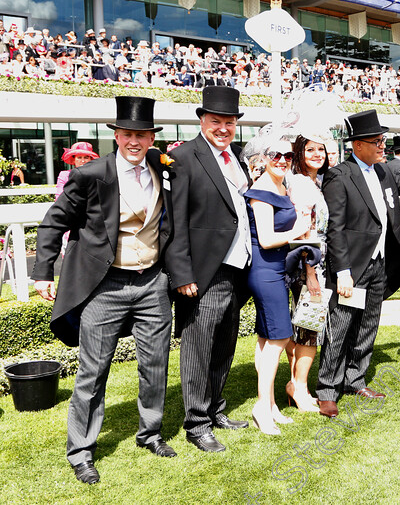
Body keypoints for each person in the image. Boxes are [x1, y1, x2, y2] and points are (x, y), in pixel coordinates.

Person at [32, 97, 176, 484]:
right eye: (128, 133)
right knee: (92, 372)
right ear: (117, 135)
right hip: (104, 286)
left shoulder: (161, 170)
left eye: (142, 135)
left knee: (155, 365)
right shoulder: (91, 174)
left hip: (152, 282)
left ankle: (151, 433)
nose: (135, 141)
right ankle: (81, 451)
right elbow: (53, 221)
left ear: (150, 139)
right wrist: (43, 272)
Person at [168, 86, 252, 453]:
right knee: (198, 349)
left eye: (229, 121)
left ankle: (216, 409)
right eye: (216, 121)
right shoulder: (185, 157)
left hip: (237, 268)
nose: (223, 127)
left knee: (224, 345)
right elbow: (175, 221)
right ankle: (197, 423)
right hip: (204, 270)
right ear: (202, 120)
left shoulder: (237, 156)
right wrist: (182, 273)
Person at [316, 110, 400, 418]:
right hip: (352, 268)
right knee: (340, 327)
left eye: (383, 140)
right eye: (376, 141)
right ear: (356, 145)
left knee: (368, 325)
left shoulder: (383, 173)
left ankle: (355, 379)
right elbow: (336, 228)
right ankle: (328, 390)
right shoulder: (339, 176)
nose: (383, 146)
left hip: (380, 263)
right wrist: (342, 271)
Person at [241, 136, 311, 434]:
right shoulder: (261, 191)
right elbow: (267, 239)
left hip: (278, 270)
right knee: (280, 339)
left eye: (287, 155)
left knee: (265, 337)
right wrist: (297, 231)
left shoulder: (282, 186)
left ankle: (269, 405)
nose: (282, 160)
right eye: (275, 155)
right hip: (266, 271)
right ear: (264, 158)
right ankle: (261, 407)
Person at [284, 128, 333, 412]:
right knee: (310, 329)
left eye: (321, 150)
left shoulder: (313, 182)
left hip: (314, 262)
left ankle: (295, 382)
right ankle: (299, 387)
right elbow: (304, 233)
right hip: (308, 264)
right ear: (300, 153)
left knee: (304, 327)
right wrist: (311, 271)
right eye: (311, 150)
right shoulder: (302, 184)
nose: (317, 155)